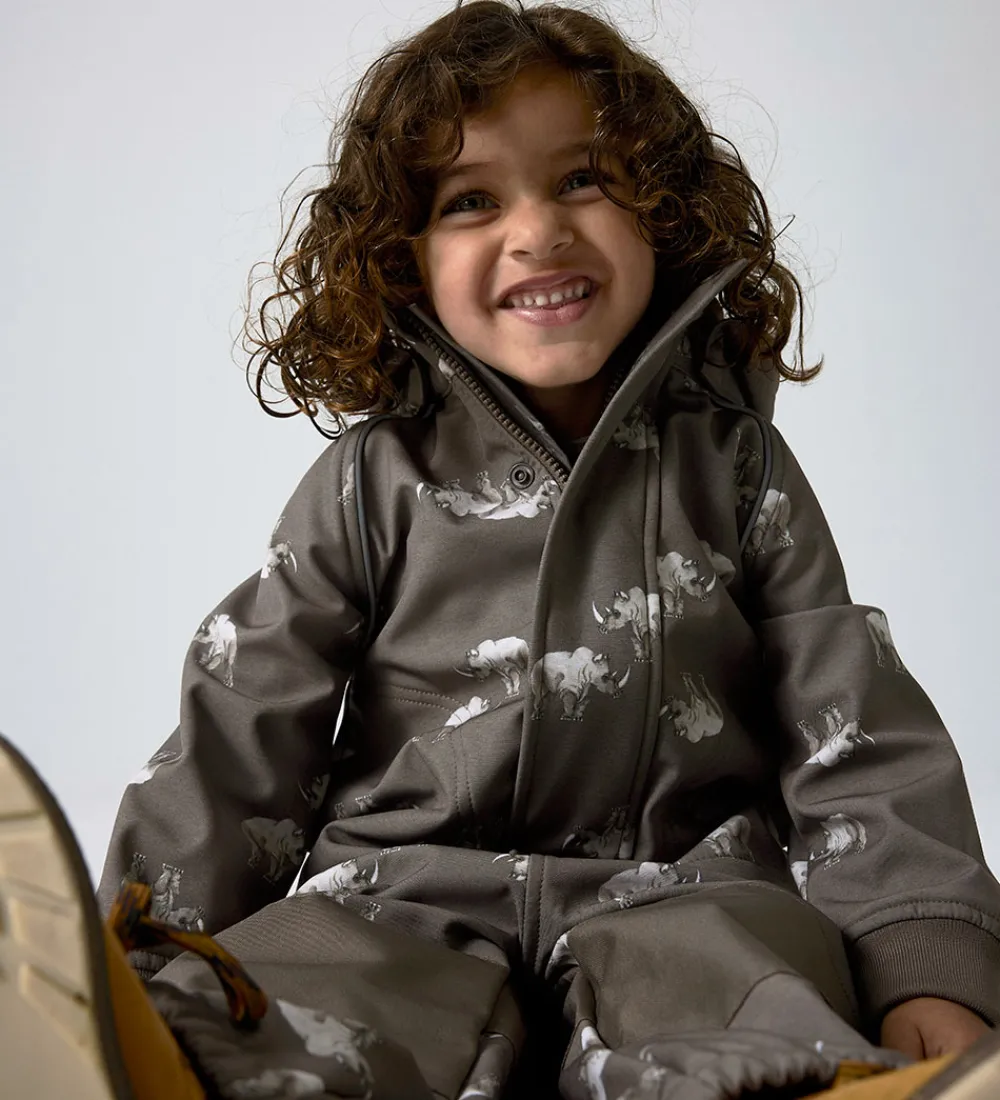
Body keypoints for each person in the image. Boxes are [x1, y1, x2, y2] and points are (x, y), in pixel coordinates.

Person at [4, 1, 999, 1097]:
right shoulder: (372, 481)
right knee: (300, 999)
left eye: (583, 179)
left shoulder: (736, 469)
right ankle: (138, 1050)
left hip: (680, 888)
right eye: (471, 200)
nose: (538, 231)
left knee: (743, 995)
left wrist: (927, 959)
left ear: (664, 212)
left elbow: (853, 726)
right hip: (397, 894)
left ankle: (845, 1085)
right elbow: (247, 725)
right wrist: (142, 950)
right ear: (402, 255)